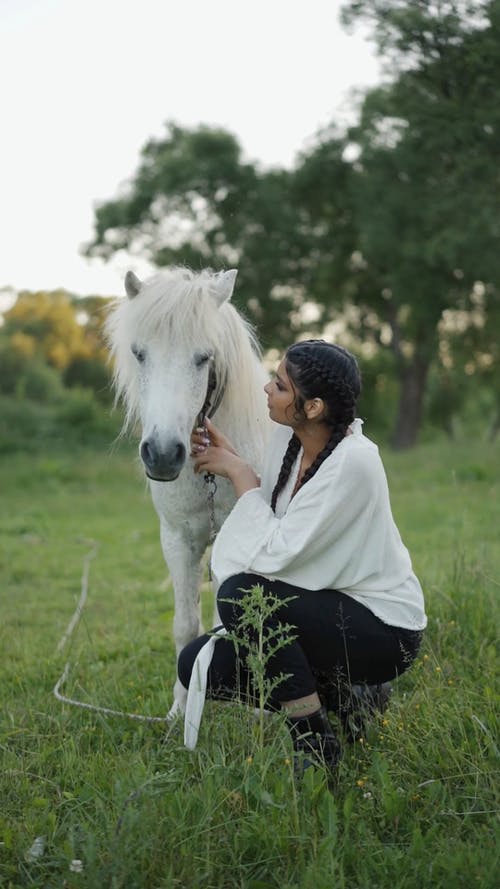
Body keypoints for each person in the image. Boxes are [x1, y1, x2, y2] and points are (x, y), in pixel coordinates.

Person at [178, 340, 426, 770]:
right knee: (199, 663)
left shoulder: (354, 463)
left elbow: (276, 553)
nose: (266, 390)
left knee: (242, 597)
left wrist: (240, 474)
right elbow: (278, 524)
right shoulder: (286, 442)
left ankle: (314, 743)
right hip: (325, 609)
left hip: (384, 630)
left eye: (279, 385)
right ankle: (350, 698)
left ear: (312, 407)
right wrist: (236, 459)